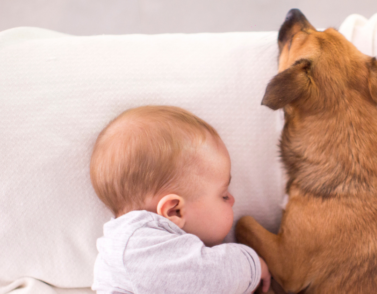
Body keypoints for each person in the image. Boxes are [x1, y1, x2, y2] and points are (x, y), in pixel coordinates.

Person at [89, 105, 271, 294]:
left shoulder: (130, 245)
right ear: (174, 211)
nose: (232, 200)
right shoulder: (140, 247)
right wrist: (252, 265)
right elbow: (210, 277)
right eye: (223, 195)